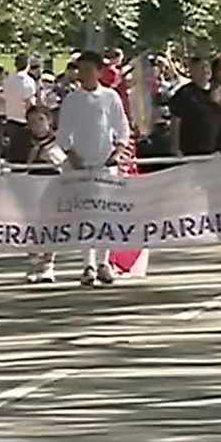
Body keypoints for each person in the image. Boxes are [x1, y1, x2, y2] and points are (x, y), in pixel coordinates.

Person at [56, 50, 132, 287]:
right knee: (84, 216)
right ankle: (87, 264)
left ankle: (104, 262)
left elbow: (122, 129)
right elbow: (63, 133)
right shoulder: (72, 99)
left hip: (105, 166)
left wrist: (117, 153)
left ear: (99, 71)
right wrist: (72, 155)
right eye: (81, 69)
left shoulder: (110, 97)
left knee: (105, 215)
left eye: (90, 69)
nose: (85, 74)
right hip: (79, 165)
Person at [23, 105, 68, 284]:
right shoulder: (24, 142)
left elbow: (66, 165)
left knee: (51, 225)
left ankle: (48, 264)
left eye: (40, 120)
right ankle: (34, 263)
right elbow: (16, 165)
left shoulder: (58, 141)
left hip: (53, 186)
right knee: (31, 225)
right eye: (32, 121)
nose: (37, 125)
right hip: (30, 187)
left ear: (49, 121)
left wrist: (53, 159)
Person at [169, 55, 221, 156]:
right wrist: (175, 147)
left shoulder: (218, 92)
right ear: (192, 72)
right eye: (200, 68)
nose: (205, 71)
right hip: (192, 150)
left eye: (206, 67)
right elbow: (176, 121)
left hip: (217, 151)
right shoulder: (184, 93)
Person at [2, 54, 39, 163]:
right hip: (24, 121)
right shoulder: (28, 81)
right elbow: (29, 102)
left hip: (10, 119)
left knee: (13, 153)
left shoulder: (8, 80)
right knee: (25, 154)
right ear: (28, 65)